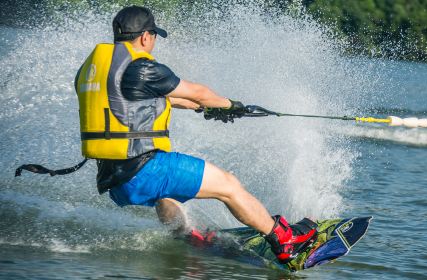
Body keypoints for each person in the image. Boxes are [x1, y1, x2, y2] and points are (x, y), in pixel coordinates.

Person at [74, 5, 316, 263]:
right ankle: (284, 238)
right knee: (229, 186)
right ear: (145, 36)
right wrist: (230, 105)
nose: (154, 42)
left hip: (115, 180)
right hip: (144, 170)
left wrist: (203, 108)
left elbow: (155, 99)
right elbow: (197, 92)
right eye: (154, 36)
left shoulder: (97, 70)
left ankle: (185, 236)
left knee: (165, 194)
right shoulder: (142, 67)